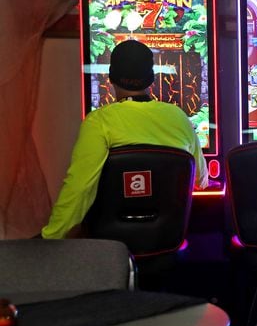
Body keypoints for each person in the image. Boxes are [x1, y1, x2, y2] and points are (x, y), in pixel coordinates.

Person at [41, 40, 208, 239]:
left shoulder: (98, 122)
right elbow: (200, 180)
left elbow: (79, 188)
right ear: (151, 79)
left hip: (111, 247)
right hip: (167, 241)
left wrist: (50, 237)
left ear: (111, 78)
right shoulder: (179, 118)